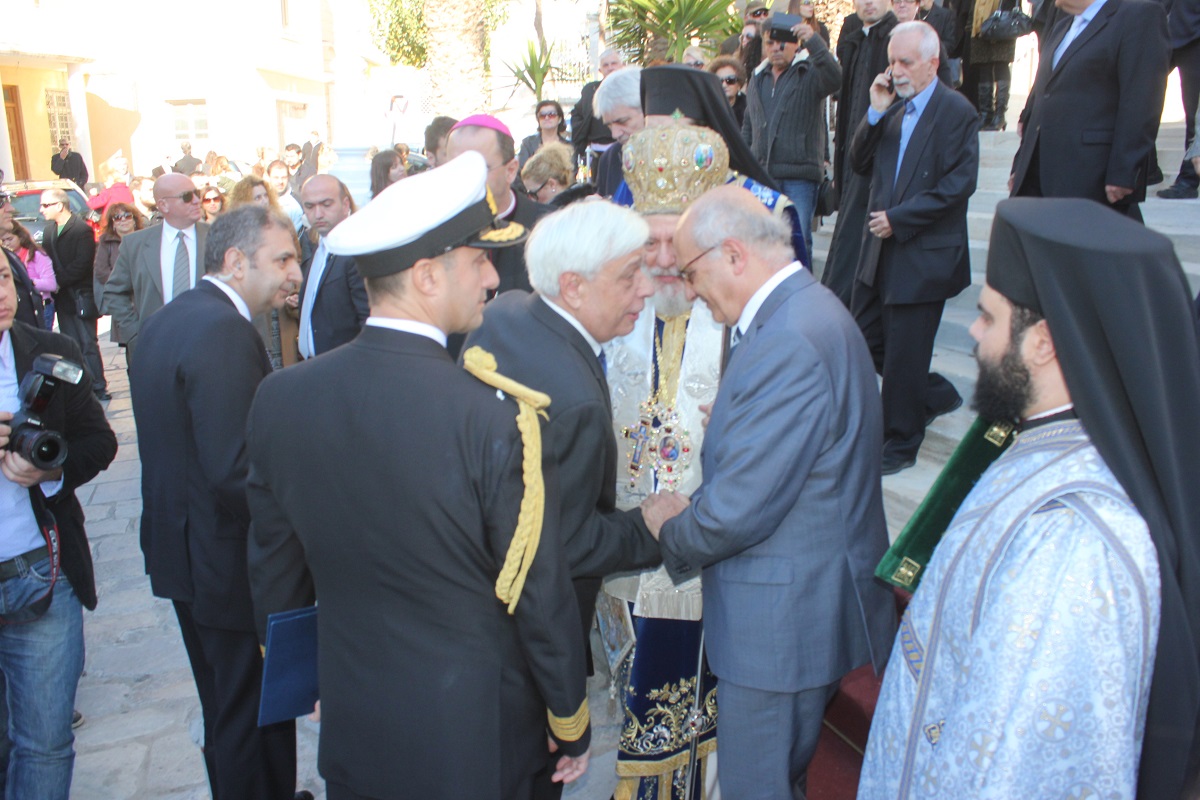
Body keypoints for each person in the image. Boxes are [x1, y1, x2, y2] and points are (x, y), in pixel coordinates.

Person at [246, 152, 591, 799]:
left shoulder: (281, 398)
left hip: (356, 721)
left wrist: (302, 677)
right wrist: (568, 717)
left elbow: (274, 564)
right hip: (478, 737)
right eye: (479, 260)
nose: (493, 278)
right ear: (427, 275)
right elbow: (538, 593)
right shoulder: (495, 417)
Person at [858, 197, 1200, 800]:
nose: (974, 332)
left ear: (1042, 342)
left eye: (988, 317)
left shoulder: (1075, 537)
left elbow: (1018, 768)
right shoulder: (1042, 438)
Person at [645, 184, 896, 799]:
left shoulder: (787, 338)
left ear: (733, 254)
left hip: (778, 628)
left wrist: (670, 525)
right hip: (800, 603)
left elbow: (735, 513)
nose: (690, 291)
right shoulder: (804, 310)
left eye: (691, 272)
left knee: (758, 787)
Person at [463, 197, 661, 799]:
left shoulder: (510, 310)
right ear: (573, 286)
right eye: (630, 275)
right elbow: (566, 545)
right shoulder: (573, 400)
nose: (647, 289)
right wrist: (648, 525)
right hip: (525, 645)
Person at [129, 205, 302, 800]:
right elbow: (236, 470)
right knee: (249, 712)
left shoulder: (170, 317)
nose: (294, 273)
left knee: (227, 704)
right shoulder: (225, 330)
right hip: (225, 563)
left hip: (186, 555)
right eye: (282, 259)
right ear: (235, 261)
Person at [602, 121, 729, 800]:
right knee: (634, 684)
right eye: (647, 243)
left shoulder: (737, 314)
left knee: (695, 693)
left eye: (674, 241)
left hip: (705, 546)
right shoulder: (613, 309)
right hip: (624, 541)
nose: (662, 258)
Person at [849, 21, 978, 474]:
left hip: (923, 253)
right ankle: (933, 392)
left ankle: (901, 442)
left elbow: (959, 185)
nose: (896, 71)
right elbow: (858, 162)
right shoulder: (892, 108)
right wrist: (874, 112)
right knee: (862, 338)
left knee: (906, 351)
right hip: (879, 250)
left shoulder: (956, 111)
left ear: (932, 63)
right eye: (892, 61)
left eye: (905, 62)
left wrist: (900, 219)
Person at [1010, 0, 1170, 221]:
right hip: (1037, 176)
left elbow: (1142, 100)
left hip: (1091, 176)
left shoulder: (1138, 15)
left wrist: (1124, 170)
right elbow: (1043, 94)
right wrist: (1022, 163)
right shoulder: (1062, 27)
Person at [742, 11, 842, 255]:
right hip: (763, 175)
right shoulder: (757, 77)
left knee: (798, 240)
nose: (776, 48)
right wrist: (744, 167)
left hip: (800, 177)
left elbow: (836, 79)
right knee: (762, 240)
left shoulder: (810, 71)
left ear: (796, 44)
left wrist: (813, 40)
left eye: (783, 42)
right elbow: (749, 125)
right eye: (770, 42)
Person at [823, 0, 900, 308]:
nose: (869, 3)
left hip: (880, 166)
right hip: (851, 158)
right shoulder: (855, 39)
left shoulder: (900, 37)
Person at [102, 174, 209, 363]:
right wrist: (134, 333)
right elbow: (114, 292)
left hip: (208, 347)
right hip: (155, 351)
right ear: (163, 205)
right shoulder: (135, 244)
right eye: (186, 196)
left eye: (197, 193)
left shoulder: (218, 236)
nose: (196, 200)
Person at [445, 115, 552, 295]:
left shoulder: (551, 227)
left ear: (510, 171)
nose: (463, 178)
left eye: (477, 168)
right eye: (454, 167)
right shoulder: (436, 233)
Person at [40, 190, 106, 400]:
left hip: (80, 295)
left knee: (87, 342)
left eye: (46, 205)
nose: (41, 210)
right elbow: (46, 261)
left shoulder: (81, 229)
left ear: (60, 205)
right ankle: (81, 387)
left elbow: (83, 263)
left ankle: (98, 385)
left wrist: (58, 281)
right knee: (70, 344)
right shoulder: (49, 230)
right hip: (62, 298)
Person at [292, 175, 367, 359]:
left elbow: (368, 321)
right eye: (310, 206)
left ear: (345, 204)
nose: (318, 214)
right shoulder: (320, 248)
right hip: (314, 364)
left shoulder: (355, 251)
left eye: (326, 204)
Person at [1156, 2, 1200, 199]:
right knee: (1139, 104)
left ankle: (1188, 180)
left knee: (1194, 112)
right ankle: (1147, 170)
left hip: (1193, 35)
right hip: (1158, 31)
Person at [91, 203, 141, 348]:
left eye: (127, 216)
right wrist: (124, 283)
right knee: (131, 344)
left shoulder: (146, 238)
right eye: (117, 217)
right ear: (113, 223)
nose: (123, 220)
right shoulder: (106, 242)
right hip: (123, 299)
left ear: (134, 220)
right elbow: (101, 271)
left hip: (144, 295)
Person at [592, 66, 646, 198]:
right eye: (609, 125)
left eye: (622, 121)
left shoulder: (682, 153)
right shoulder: (609, 159)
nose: (615, 134)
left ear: (647, 110)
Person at [571, 49, 623, 175]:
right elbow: (577, 114)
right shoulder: (590, 90)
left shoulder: (634, 88)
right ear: (600, 70)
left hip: (625, 152)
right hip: (598, 155)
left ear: (622, 66)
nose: (610, 68)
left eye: (614, 63)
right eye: (606, 65)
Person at [1, 220, 56, 330]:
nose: (6, 243)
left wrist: (28, 282)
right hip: (22, 307)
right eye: (3, 240)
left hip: (42, 305)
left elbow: (51, 284)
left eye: (10, 239)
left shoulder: (36, 255)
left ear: (20, 237)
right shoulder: (8, 258)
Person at [520, 142, 583, 206]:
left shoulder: (575, 208)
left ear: (552, 184)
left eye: (533, 194)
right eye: (527, 194)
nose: (531, 200)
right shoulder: (579, 202)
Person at [518, 100, 571, 169]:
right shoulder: (528, 144)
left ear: (559, 119)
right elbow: (522, 169)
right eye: (542, 115)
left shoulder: (569, 147)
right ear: (538, 119)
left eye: (551, 114)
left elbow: (571, 171)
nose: (547, 118)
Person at [266, 160, 306, 232]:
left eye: (283, 177)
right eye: (276, 178)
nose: (280, 181)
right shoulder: (261, 199)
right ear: (268, 177)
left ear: (288, 177)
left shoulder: (296, 204)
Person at [707, 56, 748, 125]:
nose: (724, 85)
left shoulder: (748, 107)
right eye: (719, 81)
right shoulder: (707, 106)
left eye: (730, 80)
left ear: (739, 84)